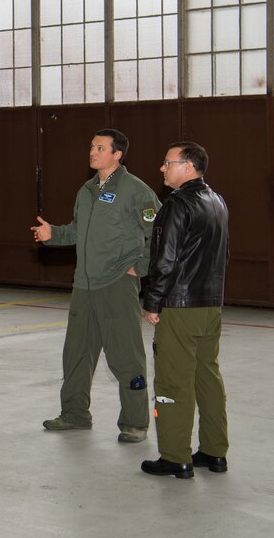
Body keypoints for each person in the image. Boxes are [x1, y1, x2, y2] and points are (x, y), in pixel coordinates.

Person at [31, 128, 160, 443]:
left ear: (117, 154)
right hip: (84, 287)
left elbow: (159, 232)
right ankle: (75, 414)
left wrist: (140, 267)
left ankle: (135, 422)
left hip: (116, 284)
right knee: (76, 354)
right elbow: (77, 231)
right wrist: (54, 235)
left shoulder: (135, 190)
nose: (92, 152)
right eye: (91, 146)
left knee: (125, 356)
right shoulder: (86, 190)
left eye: (100, 147)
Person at [139, 142, 230, 479]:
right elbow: (223, 255)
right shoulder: (217, 201)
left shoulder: (177, 204)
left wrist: (152, 301)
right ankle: (214, 451)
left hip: (180, 304)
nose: (162, 168)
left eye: (168, 162)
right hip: (211, 304)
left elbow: (165, 259)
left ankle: (175, 456)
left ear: (189, 166)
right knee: (207, 376)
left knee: (173, 380)